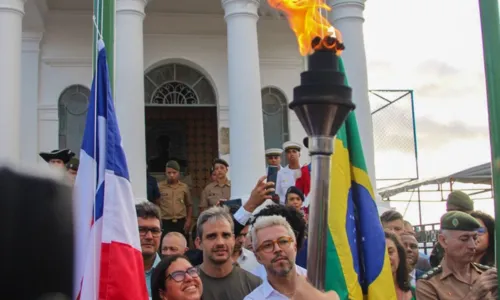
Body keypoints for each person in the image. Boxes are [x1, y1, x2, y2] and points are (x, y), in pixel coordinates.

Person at [416, 211, 494, 300]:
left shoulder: (487, 275)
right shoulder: (429, 285)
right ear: (443, 241)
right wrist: (474, 295)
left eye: (474, 238)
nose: (472, 245)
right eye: (464, 239)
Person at [195, 206, 262, 300]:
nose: (220, 243)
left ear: (233, 239)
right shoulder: (188, 284)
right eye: (212, 236)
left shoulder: (254, 284)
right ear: (199, 243)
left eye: (226, 235)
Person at [244, 215, 301, 299]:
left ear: (295, 247)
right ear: (258, 257)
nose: (277, 249)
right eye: (267, 245)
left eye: (283, 241)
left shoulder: (321, 284)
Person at [429, 191, 475, 267]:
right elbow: (436, 263)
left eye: (460, 211)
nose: (455, 215)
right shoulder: (443, 242)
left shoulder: (483, 233)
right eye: (450, 211)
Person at [157, 160, 193, 241]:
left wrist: (188, 220)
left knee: (182, 244)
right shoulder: (159, 187)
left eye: (174, 172)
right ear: (165, 173)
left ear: (178, 173)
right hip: (165, 222)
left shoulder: (184, 187)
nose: (171, 175)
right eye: (169, 173)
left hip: (180, 222)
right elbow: (157, 205)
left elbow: (189, 205)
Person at [136, 202, 163, 298]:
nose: (149, 237)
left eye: (155, 231)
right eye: (142, 230)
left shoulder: (172, 271)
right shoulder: (115, 271)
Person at [385, 231, 414, 300]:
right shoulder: (366, 294)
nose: (386, 257)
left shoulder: (415, 291)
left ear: (399, 256)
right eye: (381, 253)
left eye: (390, 252)